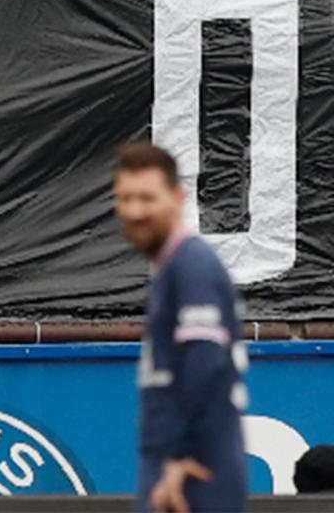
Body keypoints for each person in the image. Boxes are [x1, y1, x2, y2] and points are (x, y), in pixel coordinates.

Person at [113, 142, 247, 513]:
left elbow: (206, 361)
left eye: (147, 198)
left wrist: (178, 456)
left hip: (192, 473)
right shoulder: (174, 267)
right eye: (124, 199)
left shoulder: (193, 265)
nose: (135, 211)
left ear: (178, 197)